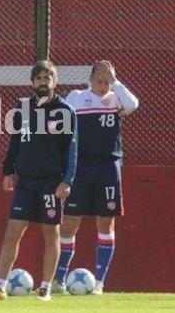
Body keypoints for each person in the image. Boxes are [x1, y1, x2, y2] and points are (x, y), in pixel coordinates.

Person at [0, 60, 77, 301]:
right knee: (13, 232)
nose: (43, 82)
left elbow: (72, 149)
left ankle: (46, 287)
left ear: (55, 82)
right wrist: (8, 171)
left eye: (48, 78)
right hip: (25, 181)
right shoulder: (23, 108)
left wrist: (67, 180)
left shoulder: (65, 111)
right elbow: (15, 142)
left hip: (51, 181)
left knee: (51, 234)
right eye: (39, 78)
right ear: (32, 82)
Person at [52, 60, 139, 295]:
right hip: (80, 166)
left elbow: (133, 105)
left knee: (105, 222)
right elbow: (61, 123)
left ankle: (99, 281)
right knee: (70, 222)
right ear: (90, 80)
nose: (103, 86)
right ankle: (59, 279)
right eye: (99, 81)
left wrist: (116, 80)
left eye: (107, 82)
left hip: (108, 167)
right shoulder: (76, 98)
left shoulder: (117, 100)